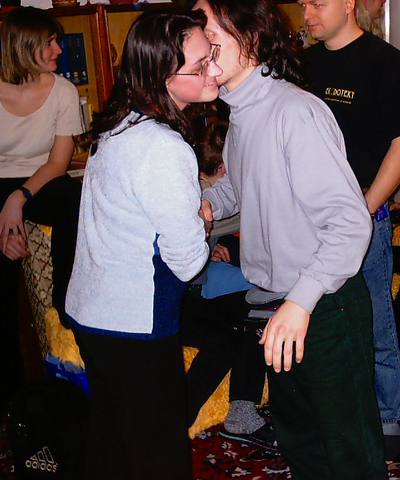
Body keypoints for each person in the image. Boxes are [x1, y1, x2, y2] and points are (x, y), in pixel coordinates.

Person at [193, 0, 387, 477]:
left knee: (348, 454)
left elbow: (351, 222)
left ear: (251, 36)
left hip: (323, 306)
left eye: (209, 33)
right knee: (302, 446)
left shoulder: (294, 112)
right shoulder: (241, 112)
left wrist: (300, 302)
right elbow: (243, 183)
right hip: (274, 306)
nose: (197, 44)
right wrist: (209, 202)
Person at [64, 12, 219, 480]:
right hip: (134, 322)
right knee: (159, 455)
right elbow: (188, 263)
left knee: (112, 442)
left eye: (212, 55)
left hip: (94, 312)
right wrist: (202, 222)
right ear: (163, 76)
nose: (213, 69)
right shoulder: (163, 146)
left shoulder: (119, 124)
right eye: (201, 65)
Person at [301, 0, 400, 460]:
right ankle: (329, 413)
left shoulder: (385, 62)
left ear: (348, 3)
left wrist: (362, 212)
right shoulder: (302, 65)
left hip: (365, 216)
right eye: (304, 3)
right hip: (309, 219)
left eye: (317, 2)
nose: (307, 12)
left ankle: (388, 416)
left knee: (375, 322)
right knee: (319, 323)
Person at [0, 6, 83, 410]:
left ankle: (67, 302)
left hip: (41, 180)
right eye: (50, 42)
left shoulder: (63, 90)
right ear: (23, 46)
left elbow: (58, 163)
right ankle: (12, 397)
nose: (58, 50)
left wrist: (19, 199)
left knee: (73, 198)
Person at [182, 121, 276, 450]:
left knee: (259, 308)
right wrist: (205, 253)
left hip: (195, 290)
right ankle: (179, 421)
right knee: (236, 328)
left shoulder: (220, 194)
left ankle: (242, 412)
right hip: (177, 298)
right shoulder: (190, 195)